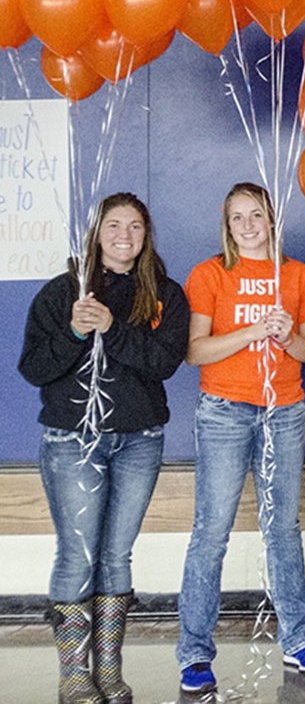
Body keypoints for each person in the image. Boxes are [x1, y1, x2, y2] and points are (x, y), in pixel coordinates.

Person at [19, 193, 189, 704]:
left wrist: (112, 330)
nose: (124, 235)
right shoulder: (61, 294)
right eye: (113, 225)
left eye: (134, 226)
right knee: (78, 553)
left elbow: (163, 363)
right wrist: (75, 330)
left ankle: (108, 670)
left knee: (116, 554)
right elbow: (34, 369)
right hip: (73, 441)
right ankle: (74, 675)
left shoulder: (164, 295)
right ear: (96, 233)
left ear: (146, 235)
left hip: (140, 441)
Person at [175, 183, 305, 694]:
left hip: (284, 412)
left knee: (282, 528)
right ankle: (194, 653)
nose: (247, 225)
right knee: (211, 531)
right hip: (222, 411)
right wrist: (252, 331)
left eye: (256, 215)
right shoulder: (209, 274)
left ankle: (298, 639)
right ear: (228, 222)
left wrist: (286, 336)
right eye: (238, 216)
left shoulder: (299, 275)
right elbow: (195, 352)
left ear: (270, 220)